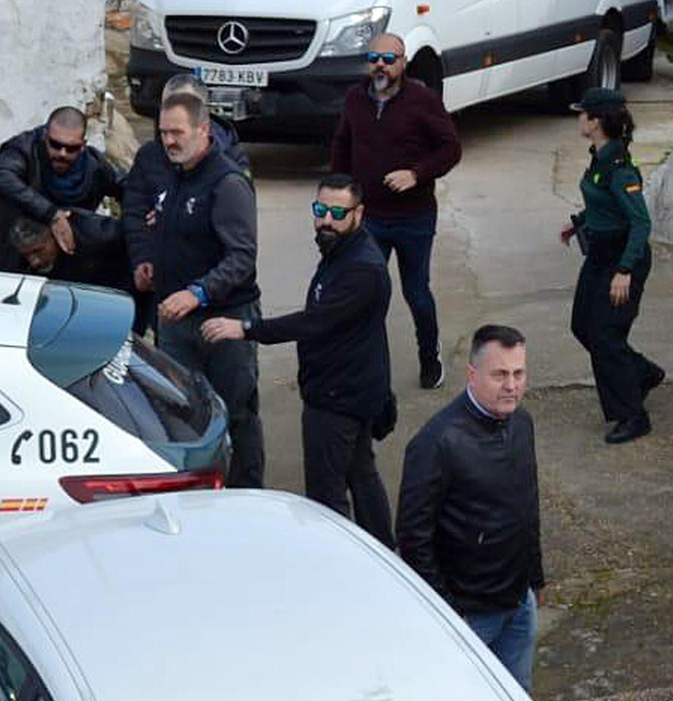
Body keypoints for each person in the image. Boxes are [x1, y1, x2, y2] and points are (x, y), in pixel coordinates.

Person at [202, 173, 395, 545]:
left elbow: (313, 323)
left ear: (359, 214)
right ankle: (383, 548)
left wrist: (245, 328)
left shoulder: (362, 269)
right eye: (320, 209)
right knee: (361, 473)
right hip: (348, 389)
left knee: (327, 495)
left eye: (338, 213)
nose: (326, 220)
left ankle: (341, 559)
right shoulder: (341, 252)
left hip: (339, 396)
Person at [396, 325, 544, 690]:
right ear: (472, 375)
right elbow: (413, 536)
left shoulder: (521, 424)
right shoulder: (437, 444)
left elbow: (527, 506)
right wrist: (450, 612)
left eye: (519, 373)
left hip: (518, 604)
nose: (511, 385)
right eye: (500, 374)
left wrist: (535, 578)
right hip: (470, 616)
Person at [147, 90, 265, 488]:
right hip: (176, 325)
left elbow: (241, 257)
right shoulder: (173, 175)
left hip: (224, 322)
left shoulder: (227, 182)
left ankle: (248, 497)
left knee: (236, 415)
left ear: (204, 129)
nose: (169, 141)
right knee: (183, 416)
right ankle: (199, 495)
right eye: (163, 133)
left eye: (177, 132)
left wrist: (197, 293)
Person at [330, 32, 461, 391]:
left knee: (416, 291)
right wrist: (340, 195)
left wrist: (416, 174)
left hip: (414, 218)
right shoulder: (356, 98)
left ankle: (429, 357)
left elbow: (450, 149)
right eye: (374, 58)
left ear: (403, 62)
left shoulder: (423, 100)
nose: (380, 66)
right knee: (365, 291)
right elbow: (343, 144)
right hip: (369, 217)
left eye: (389, 59)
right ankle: (361, 363)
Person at [559, 87, 665, 445]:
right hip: (600, 255)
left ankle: (633, 415)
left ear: (597, 121)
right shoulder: (601, 157)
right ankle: (641, 372)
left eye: (583, 113)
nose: (579, 118)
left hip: (623, 259)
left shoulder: (621, 169)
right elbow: (602, 202)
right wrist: (579, 223)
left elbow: (640, 223)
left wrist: (625, 271)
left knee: (606, 336)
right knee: (582, 326)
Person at [123, 74, 251, 304]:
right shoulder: (150, 157)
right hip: (166, 297)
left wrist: (199, 292)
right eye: (169, 105)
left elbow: (240, 247)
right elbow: (134, 211)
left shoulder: (230, 169)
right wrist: (142, 257)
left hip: (218, 305)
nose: (170, 137)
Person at [0, 106, 122, 279]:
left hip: (60, 266)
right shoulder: (25, 149)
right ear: (45, 136)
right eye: (55, 145)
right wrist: (51, 214)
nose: (62, 153)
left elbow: (127, 188)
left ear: (83, 145)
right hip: (3, 259)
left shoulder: (94, 167)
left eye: (71, 148)